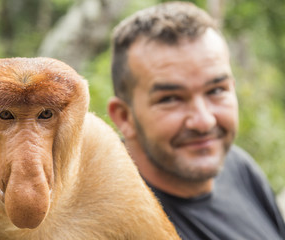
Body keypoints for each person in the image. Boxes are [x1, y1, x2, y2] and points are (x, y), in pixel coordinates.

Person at [107, 1, 285, 239]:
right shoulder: (113, 225)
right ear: (124, 116)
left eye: (216, 90)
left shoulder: (238, 167)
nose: (204, 122)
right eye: (170, 99)